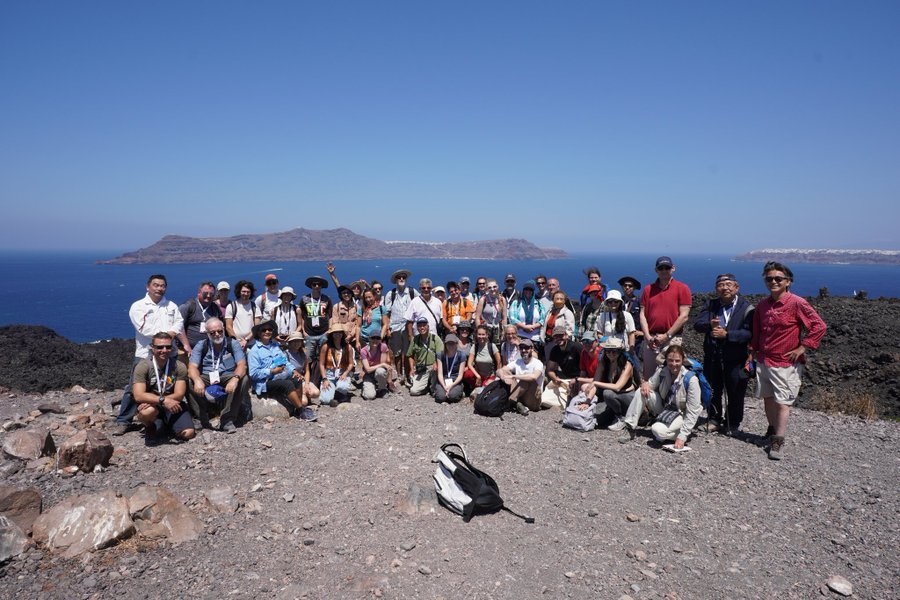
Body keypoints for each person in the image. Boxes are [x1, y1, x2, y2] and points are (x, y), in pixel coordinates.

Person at [752, 262, 826, 460]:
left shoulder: (796, 303)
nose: (773, 282)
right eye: (769, 279)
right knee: (768, 398)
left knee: (783, 402)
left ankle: (778, 440)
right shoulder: (762, 305)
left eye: (778, 278)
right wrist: (752, 354)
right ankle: (772, 430)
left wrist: (803, 347)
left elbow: (819, 326)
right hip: (764, 360)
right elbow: (757, 332)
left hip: (785, 363)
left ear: (788, 281)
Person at [112, 274, 185, 437]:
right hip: (145, 353)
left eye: (162, 285)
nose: (159, 288)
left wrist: (170, 335)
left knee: (169, 383)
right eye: (156, 285)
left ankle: (166, 415)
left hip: (168, 352)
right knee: (134, 387)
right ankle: (123, 420)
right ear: (148, 287)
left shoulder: (171, 306)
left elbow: (179, 322)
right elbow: (143, 328)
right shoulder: (138, 306)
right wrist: (166, 336)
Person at [692, 273, 754, 434]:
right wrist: (709, 325)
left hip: (736, 357)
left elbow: (749, 334)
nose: (725, 288)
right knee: (712, 389)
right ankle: (714, 418)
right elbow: (697, 324)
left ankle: (732, 423)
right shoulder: (711, 305)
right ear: (716, 288)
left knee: (735, 391)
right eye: (721, 285)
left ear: (736, 287)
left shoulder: (747, 308)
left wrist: (728, 335)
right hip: (713, 356)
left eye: (729, 284)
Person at [619, 345, 701, 449]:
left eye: (677, 361)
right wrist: (645, 384)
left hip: (682, 413)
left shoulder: (691, 380)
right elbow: (650, 384)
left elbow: (693, 411)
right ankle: (630, 427)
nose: (673, 364)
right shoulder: (662, 371)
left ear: (682, 361)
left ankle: (683, 433)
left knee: (658, 431)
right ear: (666, 360)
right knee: (641, 392)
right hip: (665, 407)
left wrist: (682, 436)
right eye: (670, 360)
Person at [186, 317, 249, 433]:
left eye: (219, 331)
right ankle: (201, 419)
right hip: (207, 375)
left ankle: (227, 419)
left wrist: (235, 379)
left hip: (227, 375)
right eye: (212, 332)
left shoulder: (233, 343)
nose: (217, 334)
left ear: (224, 329)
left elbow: (242, 365)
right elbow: (192, 367)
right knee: (188, 381)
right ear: (207, 333)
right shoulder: (201, 345)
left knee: (243, 379)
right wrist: (197, 379)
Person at [132, 332, 194, 444]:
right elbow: (138, 395)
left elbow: (179, 394)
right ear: (152, 347)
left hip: (173, 405)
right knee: (147, 412)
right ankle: (150, 426)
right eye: (159, 347)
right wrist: (162, 400)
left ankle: (167, 426)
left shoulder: (179, 366)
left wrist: (165, 401)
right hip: (152, 406)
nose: (164, 350)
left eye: (168, 347)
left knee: (188, 433)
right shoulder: (143, 366)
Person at [248, 320, 317, 421]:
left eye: (270, 329)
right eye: (264, 330)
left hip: (279, 377)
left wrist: (294, 371)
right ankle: (301, 411)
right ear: (259, 332)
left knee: (297, 380)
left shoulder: (275, 346)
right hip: (264, 383)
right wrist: (271, 371)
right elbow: (253, 374)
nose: (267, 332)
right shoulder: (254, 351)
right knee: (287, 384)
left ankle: (297, 408)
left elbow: (285, 362)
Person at [639, 256, 692, 380]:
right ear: (656, 270)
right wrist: (647, 337)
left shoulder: (682, 288)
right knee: (650, 377)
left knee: (672, 376)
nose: (664, 270)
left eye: (667, 267)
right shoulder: (648, 290)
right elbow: (642, 314)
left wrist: (667, 336)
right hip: (651, 340)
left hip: (672, 339)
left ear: (673, 268)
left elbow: (684, 316)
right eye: (660, 268)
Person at [585, 337, 639, 430]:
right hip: (614, 399)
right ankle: (614, 414)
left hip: (627, 396)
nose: (611, 354)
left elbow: (617, 387)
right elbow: (595, 382)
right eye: (608, 351)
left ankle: (621, 418)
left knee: (607, 393)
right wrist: (587, 402)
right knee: (597, 420)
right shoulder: (603, 362)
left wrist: (596, 383)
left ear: (620, 351)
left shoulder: (627, 364)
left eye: (614, 351)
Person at [383, 269, 416, 385]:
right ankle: (399, 375)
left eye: (403, 277)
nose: (401, 279)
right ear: (396, 280)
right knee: (397, 352)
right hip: (395, 327)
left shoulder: (412, 292)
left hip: (408, 327)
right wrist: (387, 328)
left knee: (408, 352)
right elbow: (386, 313)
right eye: (399, 277)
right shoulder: (390, 294)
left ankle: (407, 376)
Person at [299, 275, 333, 384]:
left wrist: (329, 330)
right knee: (308, 358)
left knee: (322, 358)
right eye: (314, 284)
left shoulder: (326, 299)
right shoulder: (304, 299)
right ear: (311, 286)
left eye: (319, 284)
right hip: (309, 334)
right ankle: (307, 379)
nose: (317, 286)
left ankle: (321, 379)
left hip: (323, 333)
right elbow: (302, 316)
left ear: (322, 286)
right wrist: (304, 331)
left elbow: (330, 315)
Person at [496, 338, 545, 415]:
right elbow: (499, 371)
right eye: (521, 348)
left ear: (532, 349)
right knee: (505, 372)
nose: (524, 350)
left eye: (526, 348)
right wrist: (503, 376)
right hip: (520, 395)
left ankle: (509, 401)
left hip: (533, 399)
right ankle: (517, 403)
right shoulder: (517, 362)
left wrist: (514, 376)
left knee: (525, 379)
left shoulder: (538, 363)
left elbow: (534, 377)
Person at [541, 324, 583, 410]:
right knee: (545, 399)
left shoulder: (576, 347)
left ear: (566, 335)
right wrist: (555, 378)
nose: (558, 338)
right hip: (563, 379)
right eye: (556, 337)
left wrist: (577, 380)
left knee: (571, 399)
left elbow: (585, 367)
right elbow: (550, 370)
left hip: (578, 378)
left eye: (561, 336)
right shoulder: (555, 350)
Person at [180, 281, 223, 351]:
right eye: (205, 293)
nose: (208, 296)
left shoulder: (215, 308)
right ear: (199, 293)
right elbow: (179, 326)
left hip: (210, 349)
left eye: (211, 294)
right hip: (190, 350)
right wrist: (186, 345)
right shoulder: (188, 306)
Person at [318, 323, 354, 406]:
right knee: (325, 400)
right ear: (332, 334)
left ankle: (338, 394)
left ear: (342, 334)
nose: (337, 334)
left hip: (342, 374)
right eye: (335, 332)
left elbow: (351, 363)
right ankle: (338, 396)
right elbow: (322, 364)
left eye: (339, 332)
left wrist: (345, 373)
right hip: (329, 376)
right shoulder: (326, 346)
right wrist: (324, 379)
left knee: (342, 387)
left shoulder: (348, 347)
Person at [406, 317, 443, 397]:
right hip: (422, 369)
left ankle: (433, 388)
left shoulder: (435, 339)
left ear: (428, 326)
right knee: (413, 391)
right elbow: (410, 355)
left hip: (433, 367)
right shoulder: (415, 339)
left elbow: (441, 354)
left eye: (424, 325)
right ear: (417, 328)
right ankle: (425, 386)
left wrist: (436, 362)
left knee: (435, 392)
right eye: (419, 326)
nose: (422, 327)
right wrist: (412, 369)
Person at [508, 280, 546, 357]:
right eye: (526, 289)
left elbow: (543, 319)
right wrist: (524, 327)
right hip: (520, 337)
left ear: (533, 291)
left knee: (534, 360)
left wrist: (532, 327)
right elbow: (512, 318)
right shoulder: (517, 303)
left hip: (535, 338)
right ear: (523, 290)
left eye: (530, 289)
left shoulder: (539, 304)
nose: (528, 291)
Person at [463, 324, 502, 396]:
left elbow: (499, 362)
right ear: (476, 335)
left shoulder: (492, 346)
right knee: (467, 374)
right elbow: (469, 364)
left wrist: (497, 377)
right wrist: (478, 376)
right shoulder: (475, 346)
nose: (481, 337)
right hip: (478, 375)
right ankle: (473, 386)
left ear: (487, 335)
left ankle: (482, 387)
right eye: (479, 334)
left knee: (485, 391)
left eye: (483, 334)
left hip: (490, 375)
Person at [285, 331, 320, 406]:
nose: (296, 343)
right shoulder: (286, 354)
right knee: (304, 402)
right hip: (292, 381)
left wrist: (307, 384)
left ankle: (304, 394)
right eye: (294, 341)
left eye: (298, 341)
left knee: (316, 393)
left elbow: (307, 371)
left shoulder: (303, 354)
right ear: (289, 343)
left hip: (302, 380)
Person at [225, 280, 261, 350]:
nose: (246, 293)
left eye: (248, 292)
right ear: (239, 292)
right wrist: (237, 341)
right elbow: (228, 327)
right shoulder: (231, 306)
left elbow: (257, 327)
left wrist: (246, 340)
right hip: (236, 344)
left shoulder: (255, 307)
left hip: (252, 344)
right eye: (243, 291)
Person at [359, 332, 395, 400]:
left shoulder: (383, 346)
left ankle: (382, 389)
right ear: (369, 339)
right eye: (373, 338)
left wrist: (382, 364)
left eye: (377, 338)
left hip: (378, 371)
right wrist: (382, 364)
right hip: (368, 374)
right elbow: (368, 369)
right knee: (369, 396)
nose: (375, 340)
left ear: (380, 340)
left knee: (380, 371)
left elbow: (382, 366)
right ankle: (368, 388)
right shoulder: (363, 351)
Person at [433, 333, 466, 403]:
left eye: (453, 343)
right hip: (443, 379)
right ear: (445, 344)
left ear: (456, 344)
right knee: (440, 398)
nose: (451, 346)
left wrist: (451, 386)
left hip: (455, 381)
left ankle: (460, 391)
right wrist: (444, 386)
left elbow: (460, 375)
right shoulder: (440, 355)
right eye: (448, 343)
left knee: (453, 397)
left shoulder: (462, 355)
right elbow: (440, 374)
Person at [474, 279, 507, 344]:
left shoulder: (502, 299)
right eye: (489, 287)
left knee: (497, 350)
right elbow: (477, 317)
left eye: (494, 287)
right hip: (486, 329)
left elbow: (504, 317)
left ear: (497, 286)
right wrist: (479, 332)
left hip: (498, 329)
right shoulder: (483, 299)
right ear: (486, 289)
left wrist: (504, 331)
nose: (492, 289)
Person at [618, 276, 643, 358]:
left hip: (636, 340)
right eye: (625, 285)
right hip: (620, 338)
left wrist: (642, 333)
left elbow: (645, 318)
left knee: (635, 362)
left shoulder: (639, 302)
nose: (627, 287)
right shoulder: (618, 302)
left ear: (634, 288)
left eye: (630, 286)